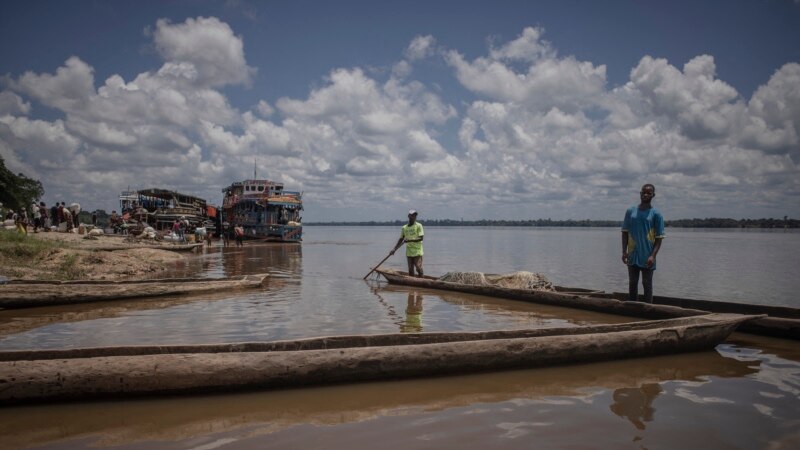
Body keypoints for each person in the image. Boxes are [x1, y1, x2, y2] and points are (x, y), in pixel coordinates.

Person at [622, 184, 665, 303]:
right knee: (632, 283)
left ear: (653, 195)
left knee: (647, 284)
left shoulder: (656, 214)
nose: (645, 195)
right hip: (632, 253)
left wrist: (653, 256)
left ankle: (648, 309)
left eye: (648, 193)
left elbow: (659, 238)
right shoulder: (631, 211)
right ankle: (632, 308)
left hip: (647, 256)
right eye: (643, 192)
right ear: (640, 193)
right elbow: (625, 232)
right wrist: (624, 252)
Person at [390, 209, 424, 277]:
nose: (413, 217)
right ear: (408, 216)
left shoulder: (419, 225)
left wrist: (410, 240)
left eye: (415, 215)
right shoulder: (404, 228)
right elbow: (401, 239)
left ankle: (422, 278)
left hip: (417, 250)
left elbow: (421, 238)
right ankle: (411, 284)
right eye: (412, 215)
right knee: (410, 269)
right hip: (409, 251)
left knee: (418, 267)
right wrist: (394, 249)